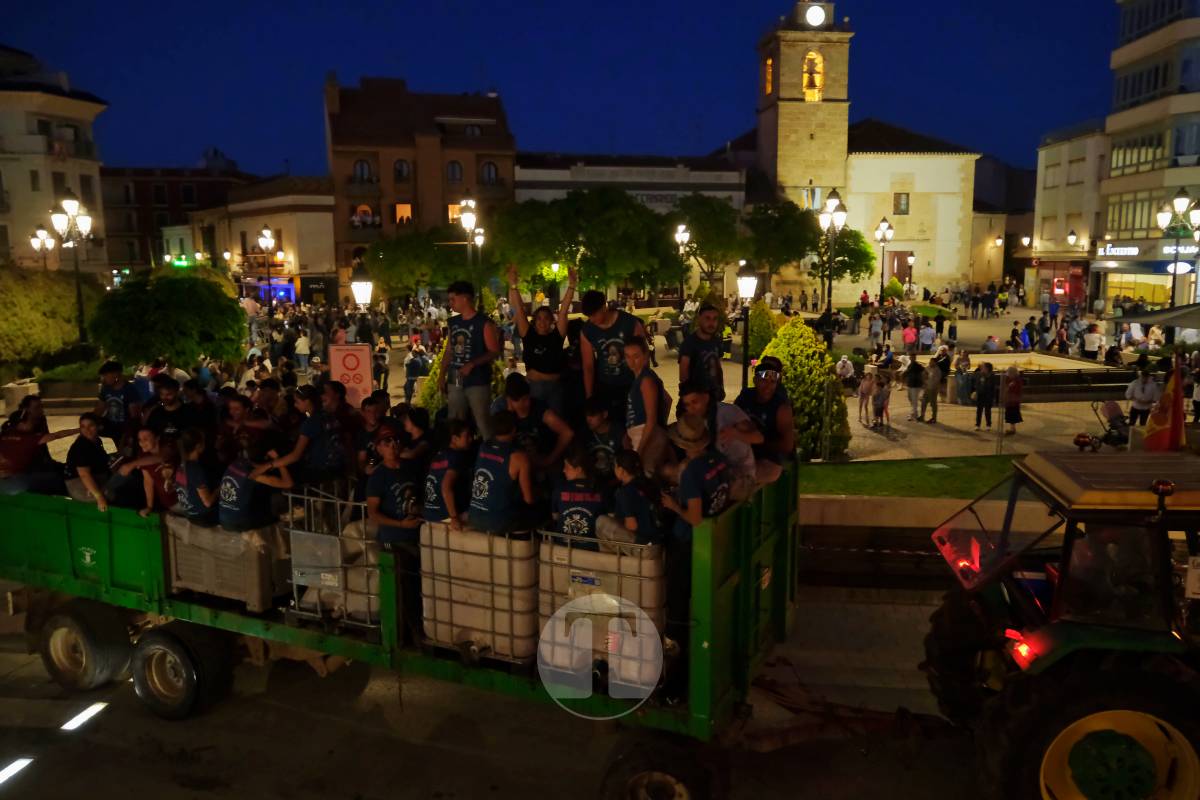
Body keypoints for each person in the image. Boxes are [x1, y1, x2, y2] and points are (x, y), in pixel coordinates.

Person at [660, 414, 731, 674]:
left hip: (687, 540)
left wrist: (673, 506)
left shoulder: (691, 473)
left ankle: (676, 647)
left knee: (677, 594)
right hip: (713, 536)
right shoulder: (719, 461)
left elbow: (695, 517)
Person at [366, 428, 424, 641]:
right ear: (379, 448)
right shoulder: (378, 477)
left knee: (417, 588)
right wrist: (400, 524)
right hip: (394, 541)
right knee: (403, 591)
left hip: (415, 536)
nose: (392, 445)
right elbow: (373, 513)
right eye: (386, 442)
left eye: (395, 440)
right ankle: (408, 635)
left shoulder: (409, 468)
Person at [506, 264, 573, 417]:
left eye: (546, 318)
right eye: (539, 319)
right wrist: (513, 285)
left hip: (555, 387)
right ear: (535, 321)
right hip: (535, 387)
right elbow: (519, 309)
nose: (542, 322)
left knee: (557, 420)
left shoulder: (556, 337)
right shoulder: (529, 335)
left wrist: (571, 286)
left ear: (551, 321)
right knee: (537, 419)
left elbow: (563, 312)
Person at [440, 281, 502, 440]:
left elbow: (494, 351)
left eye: (453, 299)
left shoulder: (484, 323)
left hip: (478, 379)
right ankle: (457, 451)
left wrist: (473, 364)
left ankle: (490, 452)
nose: (450, 303)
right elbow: (449, 350)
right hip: (456, 376)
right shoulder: (453, 322)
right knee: (455, 419)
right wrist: (442, 375)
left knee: (482, 419)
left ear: (465, 298)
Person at [580, 289, 646, 422]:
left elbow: (644, 357)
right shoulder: (587, 330)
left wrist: (642, 385)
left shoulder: (630, 323)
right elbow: (588, 366)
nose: (592, 320)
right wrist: (590, 397)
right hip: (606, 385)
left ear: (604, 307)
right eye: (589, 316)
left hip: (631, 383)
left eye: (594, 315)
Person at [467, 411, 536, 534]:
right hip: (500, 523)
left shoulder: (483, 447)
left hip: (474, 517)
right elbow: (529, 499)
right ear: (514, 429)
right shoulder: (519, 458)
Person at [733, 356, 794, 484]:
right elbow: (732, 419)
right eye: (764, 381)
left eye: (772, 382)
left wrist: (759, 442)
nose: (768, 386)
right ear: (755, 380)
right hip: (742, 450)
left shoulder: (781, 408)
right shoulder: (745, 396)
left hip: (770, 459)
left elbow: (787, 445)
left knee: (737, 480)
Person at [496, 373, 574, 470]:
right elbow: (500, 444)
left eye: (526, 399)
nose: (526, 404)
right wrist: (509, 414)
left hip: (542, 459)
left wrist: (549, 459)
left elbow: (567, 433)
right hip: (519, 463)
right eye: (521, 401)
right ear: (510, 400)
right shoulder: (503, 412)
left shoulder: (540, 409)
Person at [623, 336, 673, 478]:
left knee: (645, 476)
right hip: (643, 432)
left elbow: (651, 419)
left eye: (636, 356)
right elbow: (667, 399)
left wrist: (640, 449)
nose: (632, 361)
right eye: (627, 356)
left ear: (645, 356)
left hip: (645, 433)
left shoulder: (646, 380)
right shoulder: (642, 378)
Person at [222, 444, 293, 531]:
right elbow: (288, 483)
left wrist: (269, 465)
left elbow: (260, 468)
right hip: (238, 524)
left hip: (224, 520)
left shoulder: (236, 463)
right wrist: (278, 460)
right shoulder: (252, 474)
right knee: (268, 492)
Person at [423, 420, 474, 529]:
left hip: (430, 514)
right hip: (445, 516)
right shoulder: (457, 458)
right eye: (467, 436)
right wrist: (454, 517)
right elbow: (446, 487)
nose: (471, 439)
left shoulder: (439, 455)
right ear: (454, 439)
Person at [551, 446, 608, 544]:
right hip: (591, 549)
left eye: (567, 467)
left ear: (578, 469)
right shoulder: (602, 490)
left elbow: (555, 517)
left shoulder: (559, 490)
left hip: (562, 547)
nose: (563, 470)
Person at [678, 304, 725, 402]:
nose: (711, 323)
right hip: (697, 401)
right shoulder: (689, 343)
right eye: (707, 318)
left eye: (714, 319)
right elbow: (683, 375)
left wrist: (720, 390)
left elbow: (718, 367)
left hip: (715, 397)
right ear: (699, 319)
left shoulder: (717, 341)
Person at [65, 413, 111, 508]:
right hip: (78, 482)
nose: (87, 430)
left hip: (93, 478)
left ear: (99, 427)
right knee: (111, 495)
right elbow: (84, 474)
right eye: (83, 427)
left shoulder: (96, 441)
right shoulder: (81, 446)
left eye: (91, 426)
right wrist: (99, 496)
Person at [174, 428, 219, 526]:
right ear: (198, 446)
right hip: (203, 517)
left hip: (189, 514)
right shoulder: (195, 469)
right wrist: (218, 490)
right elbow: (208, 503)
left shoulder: (180, 466)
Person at [96, 361, 142, 446]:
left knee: (125, 450)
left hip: (125, 427)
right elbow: (99, 409)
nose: (103, 379)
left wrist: (129, 435)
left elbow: (134, 416)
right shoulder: (105, 388)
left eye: (106, 375)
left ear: (116, 374)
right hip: (110, 424)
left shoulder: (129, 390)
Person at [582, 395, 625, 487]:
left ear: (604, 414)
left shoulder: (618, 431)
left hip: (616, 483)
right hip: (592, 484)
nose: (588, 419)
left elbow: (627, 462)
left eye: (592, 414)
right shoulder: (584, 434)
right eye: (587, 415)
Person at [973, 362, 998, 431]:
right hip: (980, 395)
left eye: (983, 367)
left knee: (987, 410)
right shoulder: (979, 374)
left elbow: (992, 387)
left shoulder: (992, 376)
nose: (981, 368)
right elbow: (976, 384)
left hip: (988, 395)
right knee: (979, 410)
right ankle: (977, 425)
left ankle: (988, 425)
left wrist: (994, 397)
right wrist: (976, 391)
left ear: (987, 368)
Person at [1003, 366, 1024, 436]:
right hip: (1009, 400)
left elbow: (1018, 390)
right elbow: (1005, 387)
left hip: (1014, 401)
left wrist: (1010, 387)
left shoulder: (1017, 380)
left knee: (1013, 414)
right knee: (1010, 413)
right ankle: (1012, 428)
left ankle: (1012, 429)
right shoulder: (1008, 379)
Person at [920, 358, 941, 424]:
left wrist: (929, 384)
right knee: (923, 403)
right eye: (930, 361)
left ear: (935, 363)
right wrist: (924, 382)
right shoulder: (927, 368)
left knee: (933, 404)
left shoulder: (937, 371)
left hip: (933, 389)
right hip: (927, 389)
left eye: (931, 362)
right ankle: (922, 416)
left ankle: (934, 418)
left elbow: (936, 381)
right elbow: (923, 375)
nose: (930, 363)